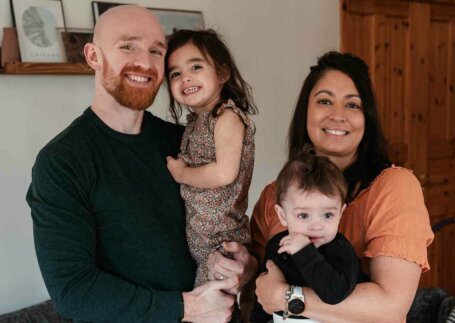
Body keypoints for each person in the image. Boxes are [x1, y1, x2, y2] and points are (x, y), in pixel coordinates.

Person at [26, 5, 254, 323]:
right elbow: (73, 292)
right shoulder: (62, 163)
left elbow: (226, 216)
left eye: (156, 51)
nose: (145, 63)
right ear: (93, 56)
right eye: (128, 46)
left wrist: (245, 264)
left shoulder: (185, 143)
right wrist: (185, 308)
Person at [249, 51, 434, 323]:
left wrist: (286, 298)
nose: (338, 116)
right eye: (324, 101)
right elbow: (256, 278)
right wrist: (236, 267)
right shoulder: (272, 195)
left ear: (367, 119)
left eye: (353, 105)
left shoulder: (394, 187)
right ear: (306, 112)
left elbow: (390, 308)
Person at [164, 29, 257, 288]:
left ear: (222, 74)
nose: (186, 78)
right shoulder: (197, 121)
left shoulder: (227, 118)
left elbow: (224, 173)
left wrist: (181, 174)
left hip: (221, 238)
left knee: (210, 305)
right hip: (202, 236)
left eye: (195, 66)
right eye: (175, 73)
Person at [250, 154, 368, 323]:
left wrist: (305, 252)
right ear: (282, 215)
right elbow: (263, 296)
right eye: (304, 215)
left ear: (340, 214)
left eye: (327, 215)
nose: (316, 226)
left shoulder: (342, 252)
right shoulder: (277, 246)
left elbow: (334, 294)